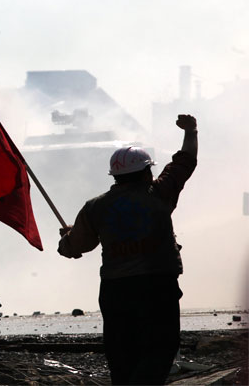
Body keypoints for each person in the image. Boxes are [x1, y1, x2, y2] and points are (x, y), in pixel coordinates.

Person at [58, 114, 198, 385]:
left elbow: (74, 248)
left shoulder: (95, 207)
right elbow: (185, 162)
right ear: (147, 172)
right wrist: (191, 131)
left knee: (122, 357)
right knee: (159, 350)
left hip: (116, 291)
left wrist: (68, 237)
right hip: (158, 287)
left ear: (115, 176)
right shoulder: (160, 193)